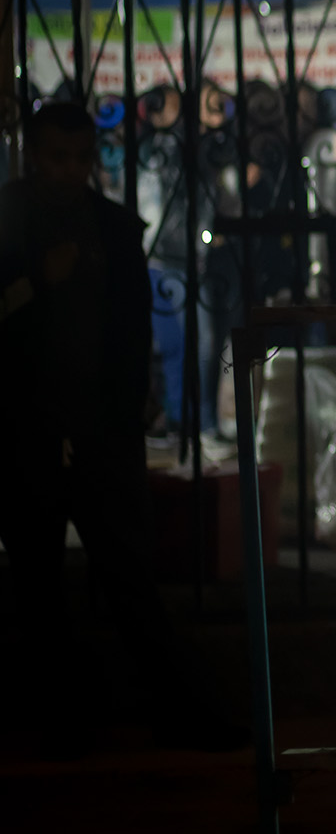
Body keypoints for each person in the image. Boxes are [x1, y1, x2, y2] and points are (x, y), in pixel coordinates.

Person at [0, 102, 235, 757]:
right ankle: (66, 722)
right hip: (28, 428)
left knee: (128, 578)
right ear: (34, 155)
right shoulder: (12, 222)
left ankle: (170, 712)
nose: (69, 170)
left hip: (99, 428)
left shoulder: (110, 226)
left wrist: (136, 405)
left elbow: (132, 332)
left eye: (78, 158)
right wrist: (33, 284)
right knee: (40, 585)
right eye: (57, 157)